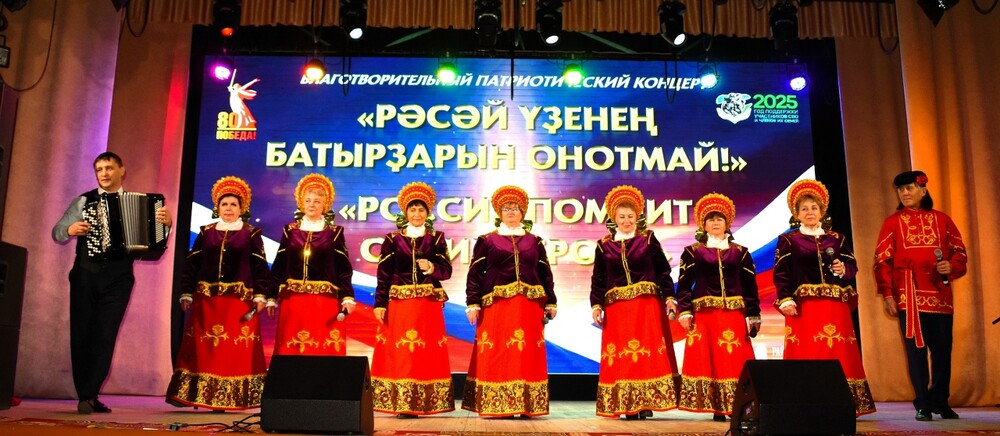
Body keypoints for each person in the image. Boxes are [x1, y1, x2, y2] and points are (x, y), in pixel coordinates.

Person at [52, 151, 172, 414]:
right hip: (85, 274)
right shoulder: (84, 201)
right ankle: (87, 394)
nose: (103, 174)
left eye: (108, 168)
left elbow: (154, 244)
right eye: (99, 169)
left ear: (121, 170)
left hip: (119, 278)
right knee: (82, 333)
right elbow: (57, 231)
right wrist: (70, 229)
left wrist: (167, 225)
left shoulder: (143, 203)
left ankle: (89, 394)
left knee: (106, 334)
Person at [165, 176, 269, 411]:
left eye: (233, 204)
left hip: (238, 302)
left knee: (231, 351)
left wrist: (261, 295)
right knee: (205, 350)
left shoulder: (251, 234)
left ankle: (230, 397)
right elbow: (192, 264)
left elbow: (260, 267)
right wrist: (186, 292)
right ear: (217, 207)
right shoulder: (207, 232)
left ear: (242, 208)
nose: (228, 209)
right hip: (208, 301)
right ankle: (197, 395)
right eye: (224, 204)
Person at [773, 179, 875, 417]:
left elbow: (852, 266)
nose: (810, 212)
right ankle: (804, 404)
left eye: (814, 208)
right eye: (804, 209)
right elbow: (781, 273)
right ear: (796, 214)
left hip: (835, 307)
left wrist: (843, 269)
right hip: (805, 308)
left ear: (822, 211)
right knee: (809, 352)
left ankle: (843, 403)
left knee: (838, 352)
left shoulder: (837, 239)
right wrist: (785, 298)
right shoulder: (789, 240)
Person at [873, 170, 968, 421]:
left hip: (940, 296)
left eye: (909, 188)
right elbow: (882, 262)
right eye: (900, 189)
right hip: (909, 296)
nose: (904, 193)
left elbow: (960, 253)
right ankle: (923, 404)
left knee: (942, 352)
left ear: (923, 190)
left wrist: (951, 266)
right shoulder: (892, 223)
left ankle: (941, 402)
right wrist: (888, 294)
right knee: (916, 354)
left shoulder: (943, 220)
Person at [463, 185, 557, 417]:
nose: (511, 212)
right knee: (498, 353)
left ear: (523, 212)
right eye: (506, 208)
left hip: (528, 306)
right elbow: (475, 274)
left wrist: (551, 302)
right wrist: (472, 303)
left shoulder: (534, 241)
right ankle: (498, 404)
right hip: (496, 306)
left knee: (526, 354)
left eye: (515, 208)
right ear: (499, 213)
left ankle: (526, 405)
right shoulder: (487, 240)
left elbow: (545, 273)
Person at [590, 185, 679, 419]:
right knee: (623, 355)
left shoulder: (647, 239)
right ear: (614, 218)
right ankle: (626, 402)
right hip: (617, 308)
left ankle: (646, 401)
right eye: (621, 217)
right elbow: (599, 278)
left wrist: (670, 297)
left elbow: (662, 271)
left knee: (646, 353)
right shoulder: (604, 245)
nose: (626, 221)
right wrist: (596, 305)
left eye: (630, 216)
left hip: (645, 305)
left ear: (637, 216)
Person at [371, 182, 455, 417]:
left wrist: (432, 268)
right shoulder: (393, 239)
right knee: (403, 352)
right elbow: (383, 274)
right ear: (405, 212)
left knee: (424, 353)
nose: (416, 214)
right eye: (412, 210)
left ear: (427, 213)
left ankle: (426, 402)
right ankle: (403, 402)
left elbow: (447, 271)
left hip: (427, 304)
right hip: (400, 304)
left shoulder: (436, 239)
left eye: (421, 210)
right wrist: (379, 303)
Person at [675, 193, 760, 421]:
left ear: (727, 223)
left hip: (733, 315)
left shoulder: (741, 252)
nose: (715, 223)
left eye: (719, 219)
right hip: (705, 316)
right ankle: (715, 407)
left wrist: (753, 314)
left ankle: (737, 405)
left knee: (734, 360)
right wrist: (685, 311)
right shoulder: (693, 252)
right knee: (709, 360)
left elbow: (750, 285)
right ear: (703, 225)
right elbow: (684, 285)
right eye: (711, 219)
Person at [268, 174, 355, 356]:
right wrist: (271, 295)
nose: (311, 205)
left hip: (324, 301)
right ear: (301, 203)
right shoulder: (290, 231)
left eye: (317, 201)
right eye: (308, 200)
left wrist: (347, 296)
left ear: (325, 205)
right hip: (293, 300)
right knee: (292, 348)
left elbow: (343, 268)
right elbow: (280, 264)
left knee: (321, 347)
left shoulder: (334, 233)